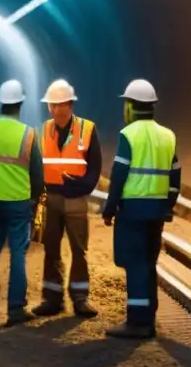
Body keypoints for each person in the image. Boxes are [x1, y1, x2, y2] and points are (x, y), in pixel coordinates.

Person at [101, 79, 181, 339]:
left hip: (133, 210)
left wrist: (109, 208)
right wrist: (168, 204)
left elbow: (119, 174)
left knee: (134, 263)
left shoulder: (129, 135)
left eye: (126, 104)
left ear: (131, 107)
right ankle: (149, 317)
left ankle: (137, 323)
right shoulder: (168, 135)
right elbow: (175, 176)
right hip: (157, 210)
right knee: (148, 262)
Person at [0, 79, 45, 326]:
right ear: (20, 103)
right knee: (17, 254)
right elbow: (37, 172)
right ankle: (15, 309)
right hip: (17, 202)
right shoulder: (28, 133)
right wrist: (35, 198)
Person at [32, 79, 101, 318]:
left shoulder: (88, 129)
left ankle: (80, 298)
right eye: (52, 105)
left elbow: (94, 168)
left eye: (60, 104)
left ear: (70, 104)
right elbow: (35, 165)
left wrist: (82, 188)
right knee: (51, 249)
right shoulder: (43, 130)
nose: (56, 109)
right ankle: (52, 299)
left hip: (76, 199)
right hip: (50, 198)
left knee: (79, 250)